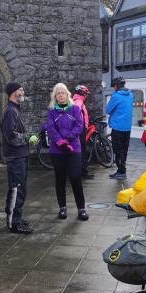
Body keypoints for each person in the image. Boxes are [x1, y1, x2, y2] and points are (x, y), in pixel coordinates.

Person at [46, 83, 88, 221]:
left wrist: (68, 138)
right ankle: (62, 208)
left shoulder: (75, 108)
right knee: (60, 179)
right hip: (57, 150)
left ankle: (81, 209)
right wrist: (60, 142)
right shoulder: (51, 111)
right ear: (55, 97)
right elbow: (51, 129)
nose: (61, 95)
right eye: (58, 93)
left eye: (63, 92)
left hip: (74, 148)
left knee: (76, 177)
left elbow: (79, 126)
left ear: (67, 94)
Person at [1, 82, 35, 234]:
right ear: (14, 93)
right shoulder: (10, 111)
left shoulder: (15, 109)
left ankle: (16, 217)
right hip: (15, 157)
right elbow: (10, 136)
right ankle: (14, 223)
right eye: (21, 89)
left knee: (20, 189)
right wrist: (27, 138)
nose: (23, 91)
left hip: (20, 155)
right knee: (17, 190)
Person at [106, 76, 133, 180]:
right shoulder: (130, 94)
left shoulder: (116, 96)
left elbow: (108, 110)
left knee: (118, 151)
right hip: (127, 127)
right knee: (124, 150)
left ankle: (121, 172)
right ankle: (121, 170)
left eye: (114, 86)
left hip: (117, 127)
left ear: (116, 86)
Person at [72, 85, 94, 179]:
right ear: (82, 93)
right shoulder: (78, 102)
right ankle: (83, 172)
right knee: (82, 151)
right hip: (80, 130)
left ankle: (80, 172)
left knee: (80, 151)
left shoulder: (77, 101)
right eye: (86, 93)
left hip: (80, 129)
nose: (86, 96)